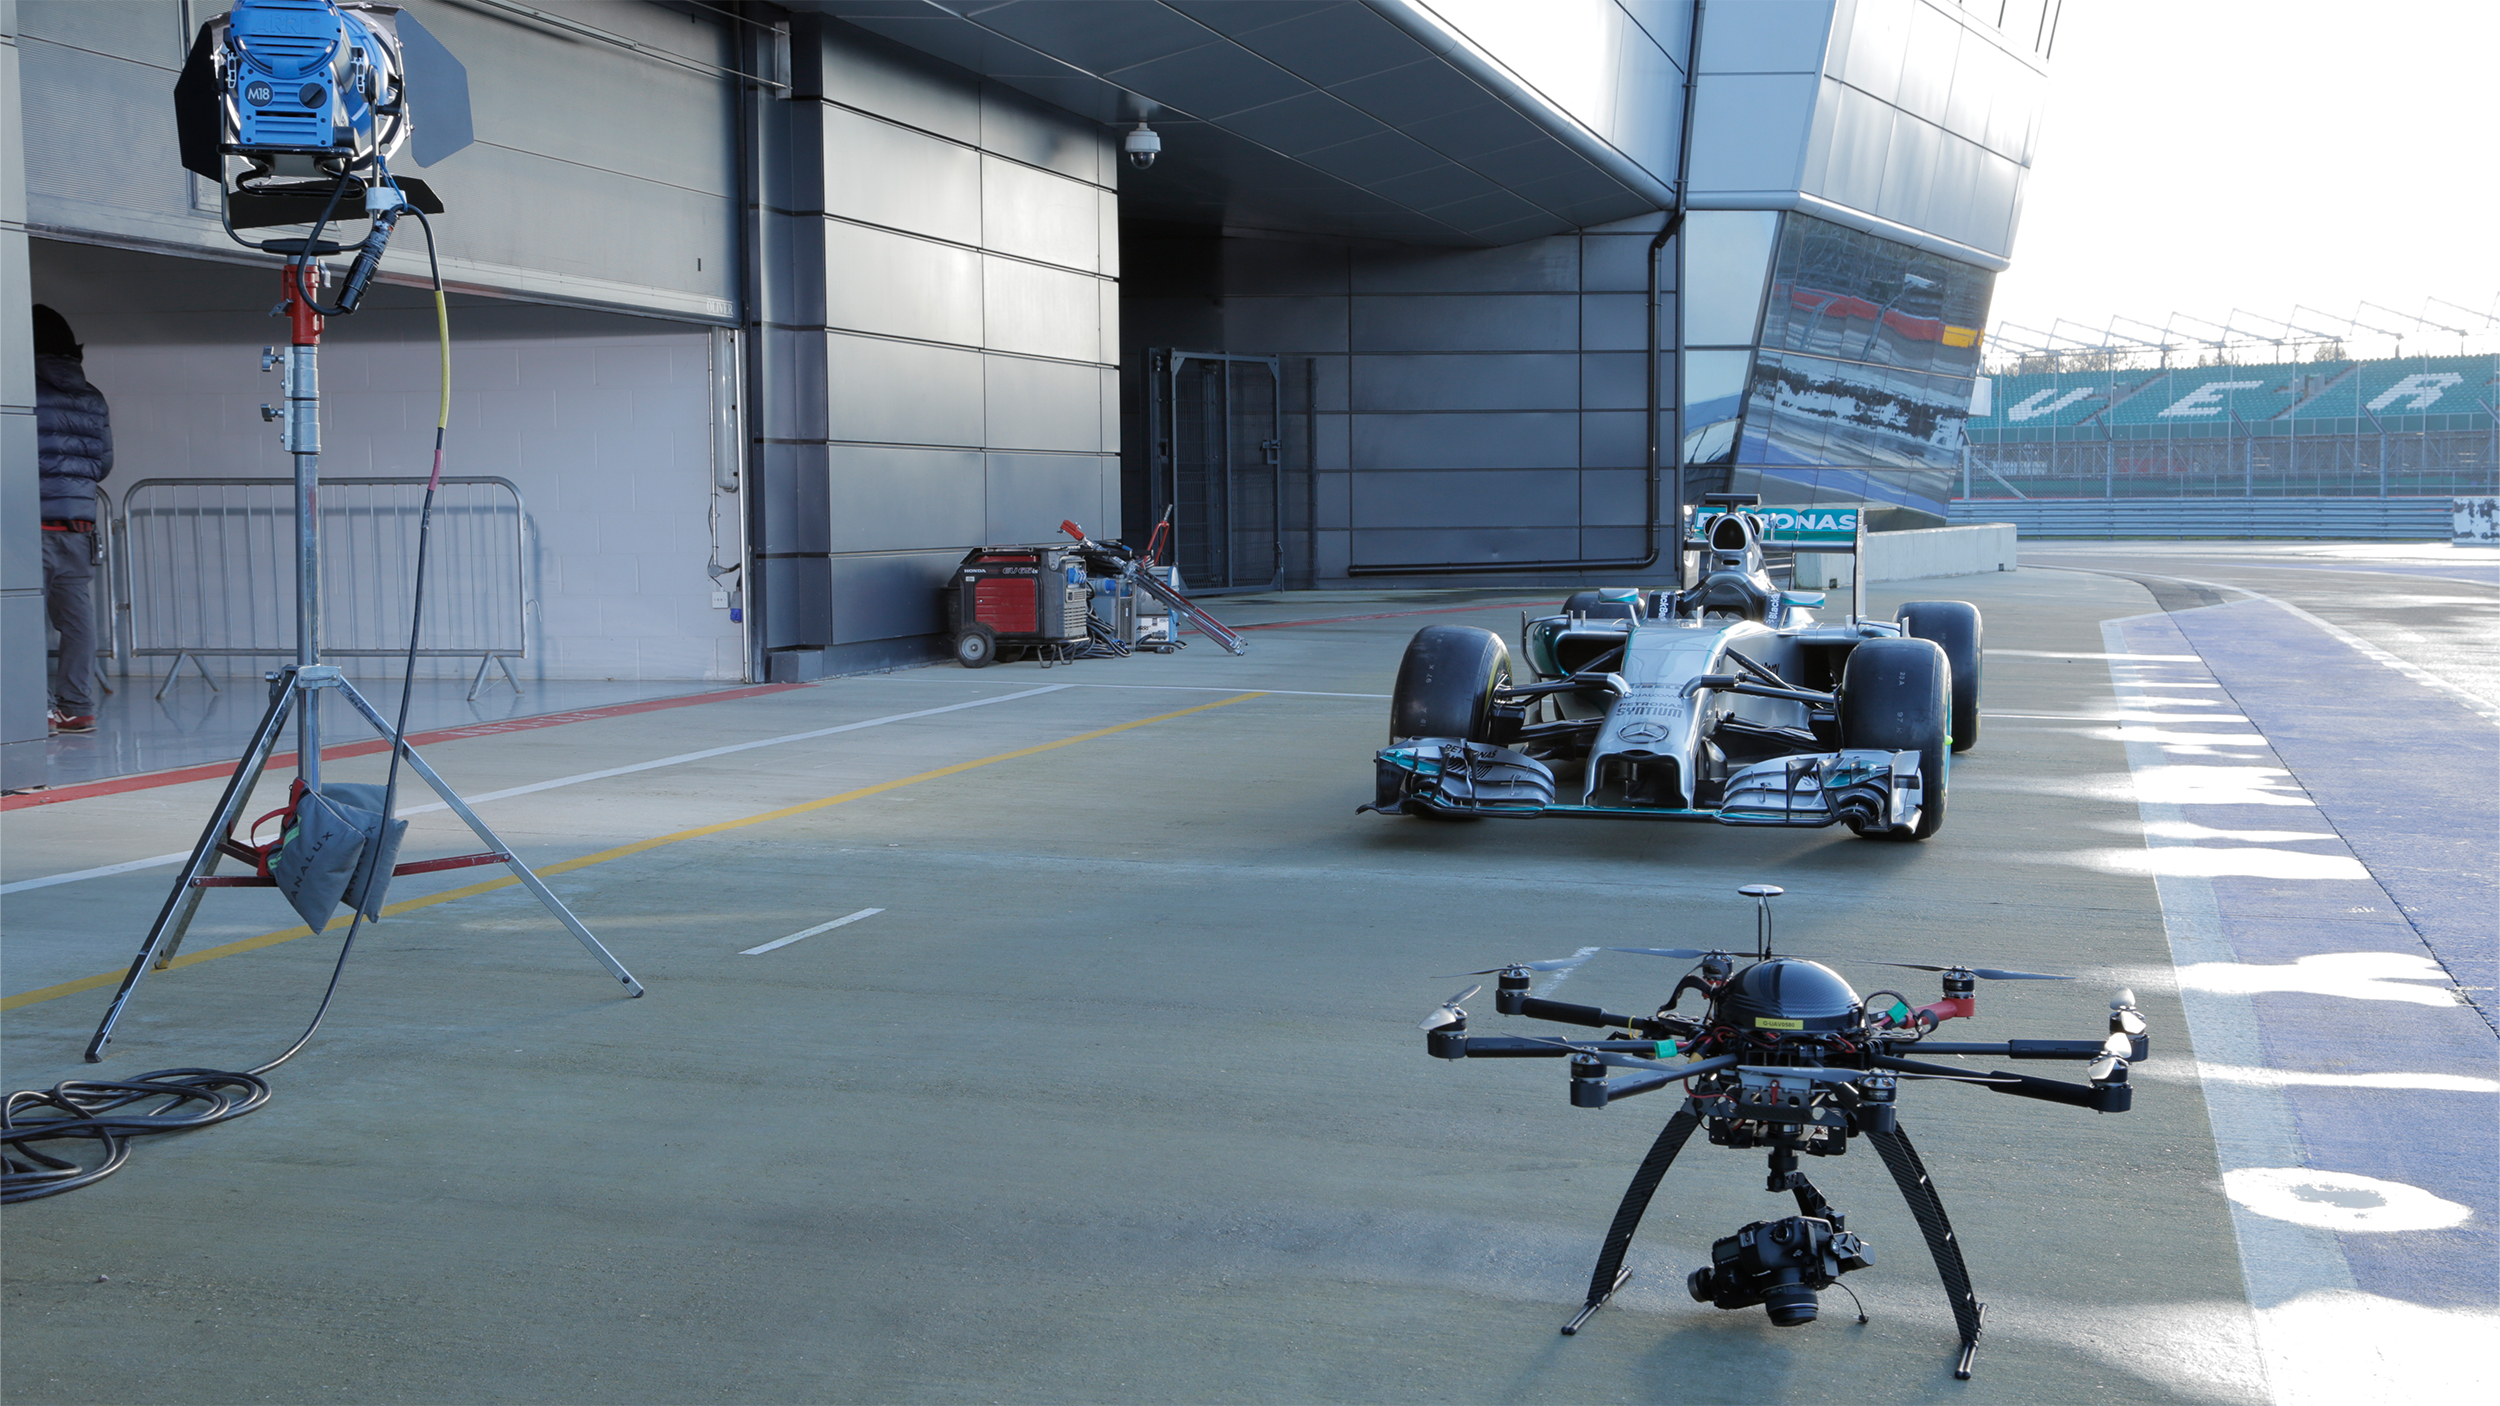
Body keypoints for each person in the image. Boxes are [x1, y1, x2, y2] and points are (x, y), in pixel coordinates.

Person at [34, 304, 109, 734]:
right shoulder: (92, 397)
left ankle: (35, 710)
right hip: (78, 527)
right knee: (77, 622)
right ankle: (77, 707)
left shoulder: (21, 392)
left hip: (28, 527)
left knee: (23, 622)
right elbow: (102, 464)